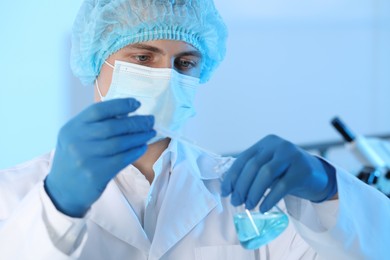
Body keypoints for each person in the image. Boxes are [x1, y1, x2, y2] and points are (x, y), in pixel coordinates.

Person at [0, 0, 389, 259]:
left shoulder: (241, 194)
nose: (165, 77)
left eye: (185, 63)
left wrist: (329, 192)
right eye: (142, 56)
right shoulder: (12, 193)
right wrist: (56, 208)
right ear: (95, 60)